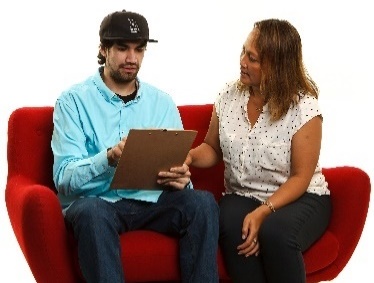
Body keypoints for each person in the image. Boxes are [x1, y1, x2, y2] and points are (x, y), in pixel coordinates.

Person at [51, 9, 219, 283]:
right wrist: (108, 158)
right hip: (100, 203)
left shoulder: (161, 102)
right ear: (103, 49)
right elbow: (63, 180)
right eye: (122, 48)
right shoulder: (72, 102)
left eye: (139, 50)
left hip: (153, 201)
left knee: (202, 203)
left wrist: (181, 179)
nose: (132, 59)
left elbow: (178, 168)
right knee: (91, 212)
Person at [185, 19, 332, 283]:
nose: (242, 61)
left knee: (275, 233)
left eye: (252, 58)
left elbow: (300, 177)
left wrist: (264, 212)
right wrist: (190, 156)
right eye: (243, 52)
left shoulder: (304, 108)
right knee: (231, 225)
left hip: (300, 197)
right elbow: (212, 148)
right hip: (243, 194)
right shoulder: (228, 96)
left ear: (276, 66)